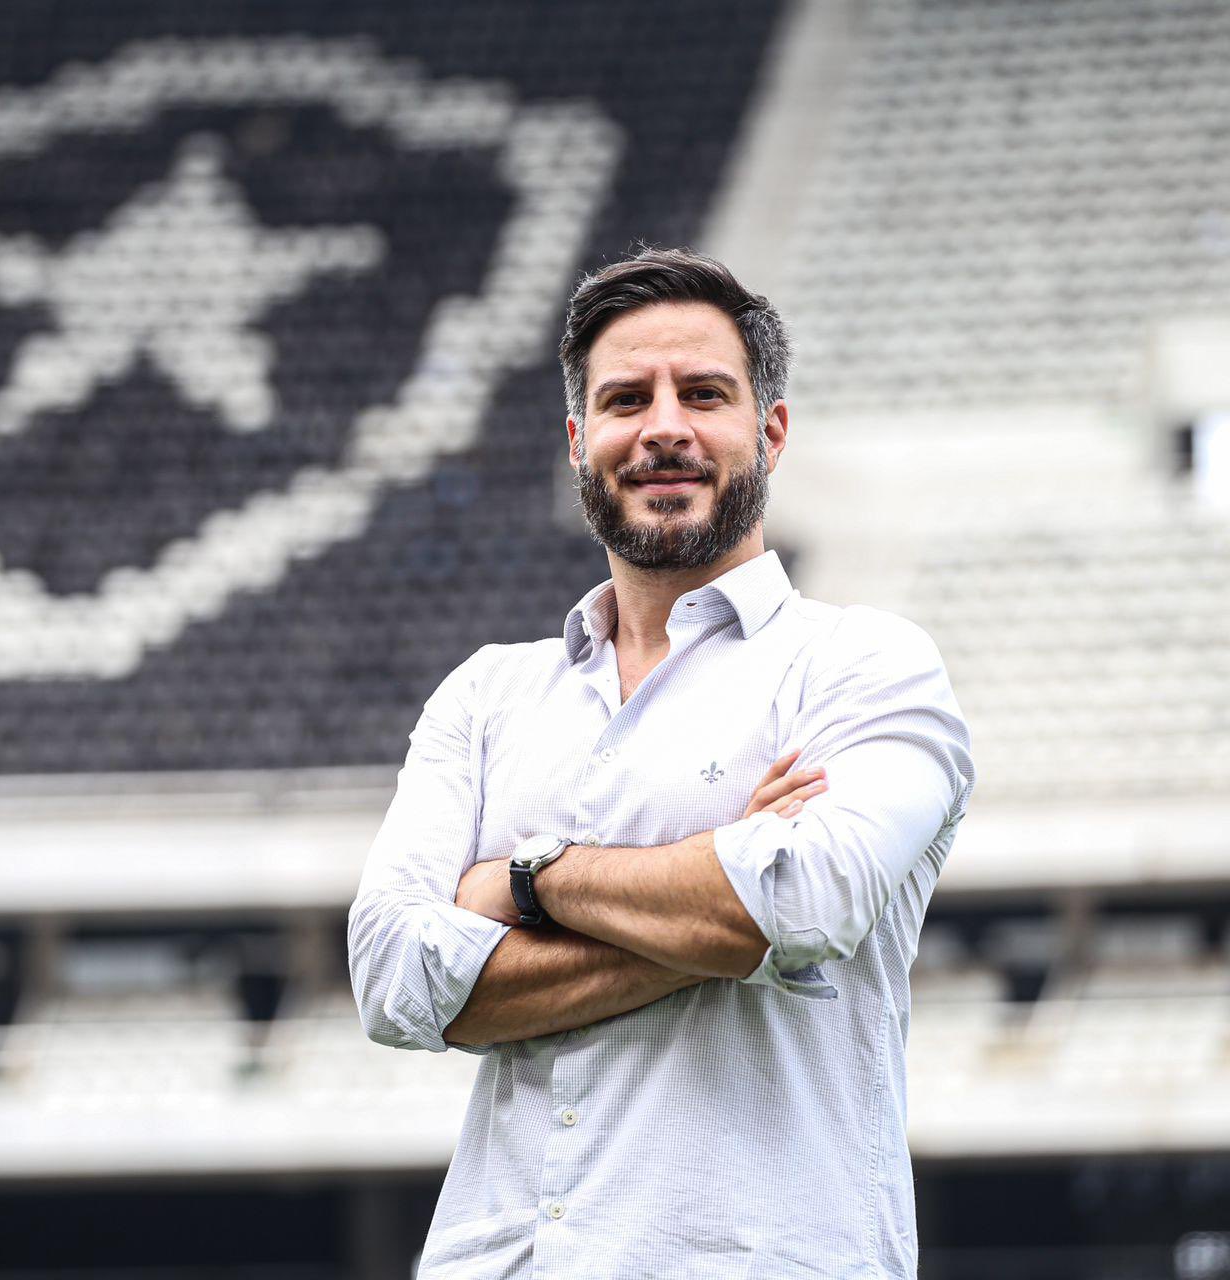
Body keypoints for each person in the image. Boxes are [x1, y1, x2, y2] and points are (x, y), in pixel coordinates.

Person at [346, 247, 974, 1279]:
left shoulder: (863, 663)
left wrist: (524, 880)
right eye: (626, 398)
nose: (664, 426)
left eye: (705, 394)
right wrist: (716, 895)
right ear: (578, 439)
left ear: (769, 430)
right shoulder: (486, 694)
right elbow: (394, 980)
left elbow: (799, 904)